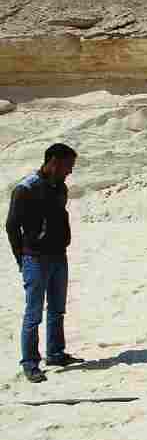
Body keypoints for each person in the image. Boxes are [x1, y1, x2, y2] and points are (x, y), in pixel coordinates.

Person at [5, 143, 83, 383]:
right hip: (36, 259)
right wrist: (23, 258)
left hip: (59, 256)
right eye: (68, 166)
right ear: (54, 162)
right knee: (34, 313)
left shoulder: (60, 187)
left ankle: (56, 354)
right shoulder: (26, 188)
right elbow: (11, 226)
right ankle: (30, 362)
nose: (70, 171)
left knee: (57, 309)